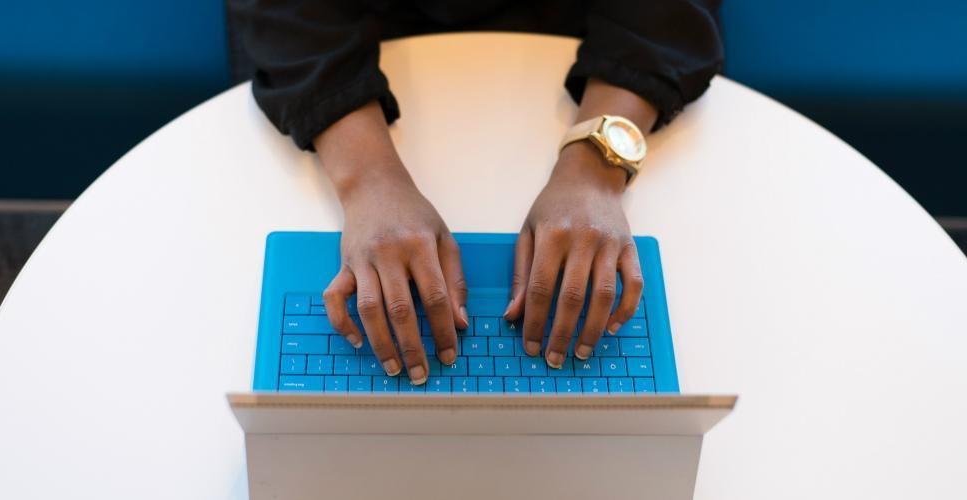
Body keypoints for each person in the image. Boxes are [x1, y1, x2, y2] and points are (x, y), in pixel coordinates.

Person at [229, 1, 723, 386]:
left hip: (585, 39)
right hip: (342, 47)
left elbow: (670, 13)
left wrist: (594, 169)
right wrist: (370, 178)